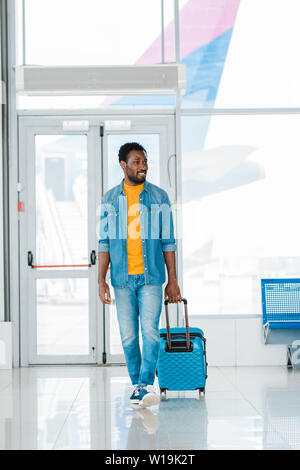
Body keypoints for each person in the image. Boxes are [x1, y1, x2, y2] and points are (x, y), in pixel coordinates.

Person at [98, 142, 181, 408]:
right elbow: (104, 242)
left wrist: (173, 280)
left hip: (151, 278)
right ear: (123, 165)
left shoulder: (159, 197)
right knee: (129, 337)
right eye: (137, 162)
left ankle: (145, 384)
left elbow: (168, 242)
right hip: (121, 279)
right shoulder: (110, 200)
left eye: (144, 161)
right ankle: (137, 386)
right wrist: (101, 280)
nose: (143, 166)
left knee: (150, 333)